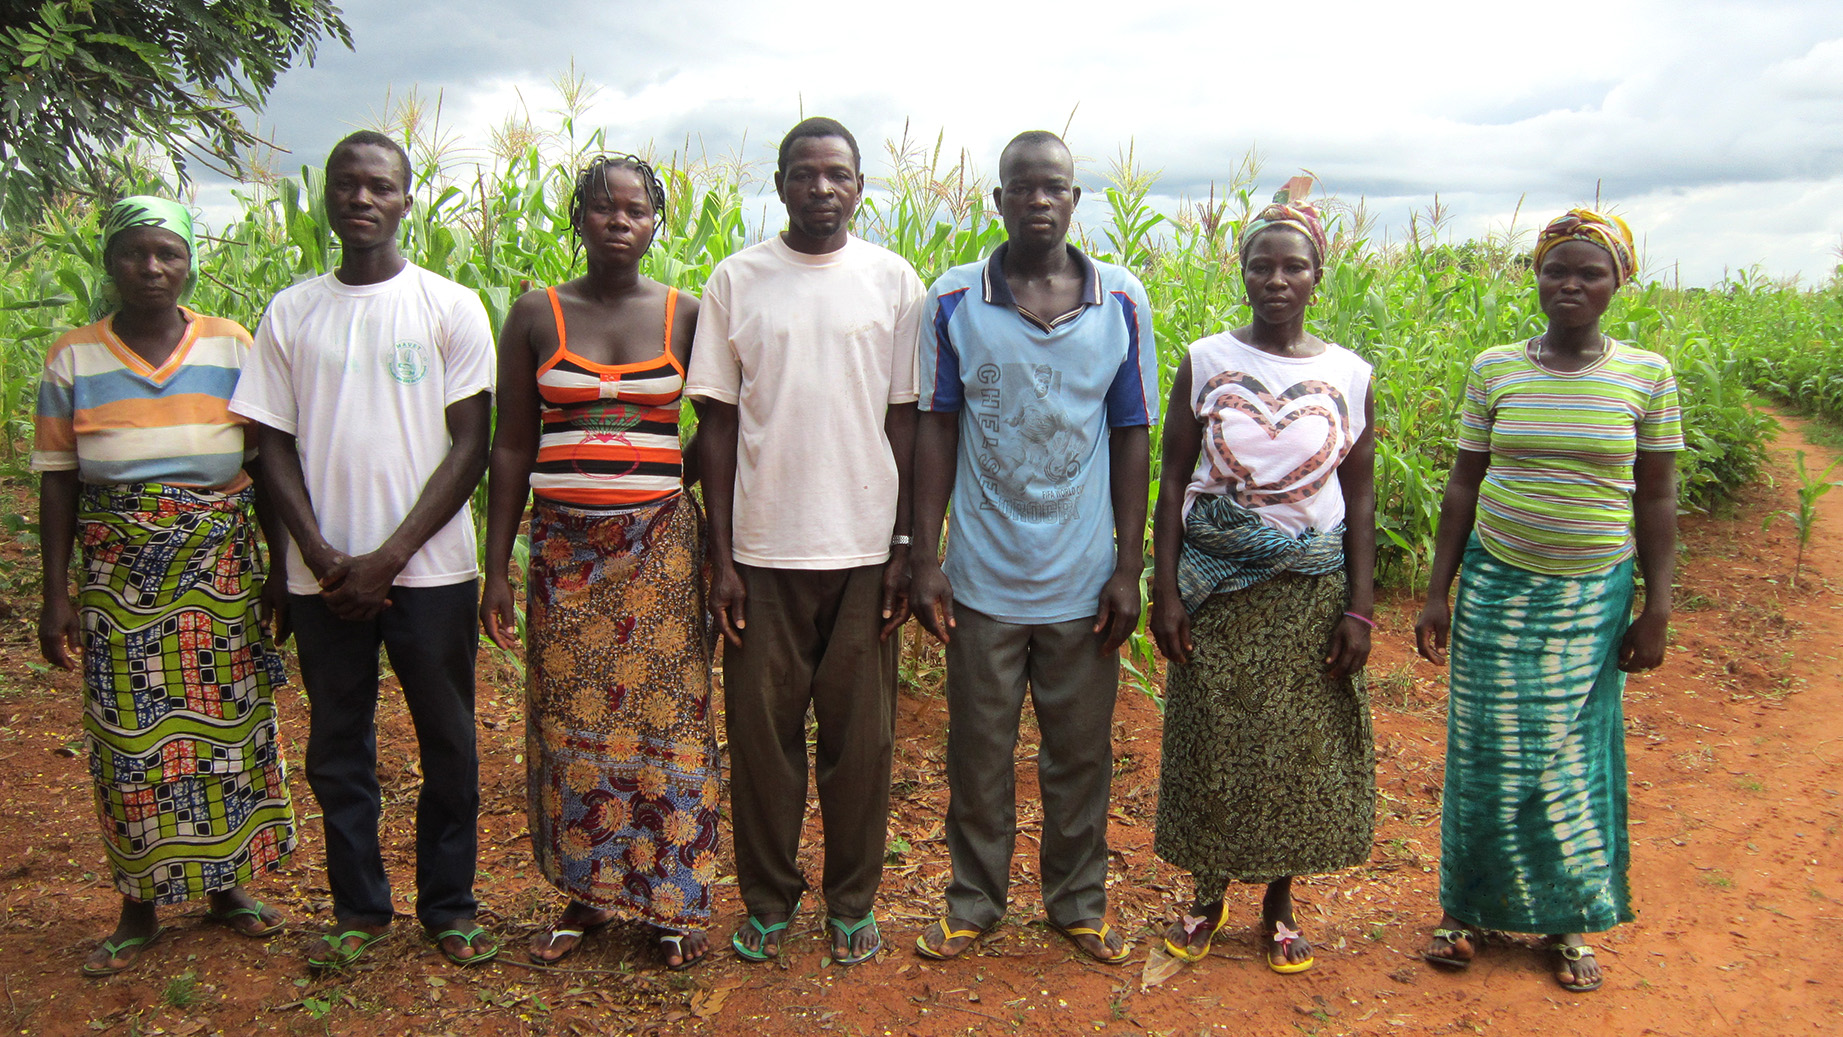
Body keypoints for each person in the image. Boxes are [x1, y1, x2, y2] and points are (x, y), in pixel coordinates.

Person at [230, 131, 497, 970]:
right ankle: (358, 908)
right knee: (338, 747)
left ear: (407, 201)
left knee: (447, 742)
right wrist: (314, 552)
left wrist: (388, 557)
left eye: (379, 186)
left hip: (432, 573)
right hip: (323, 576)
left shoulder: (449, 306)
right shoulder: (291, 311)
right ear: (328, 198)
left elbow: (471, 445)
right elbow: (268, 443)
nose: (361, 199)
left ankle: (448, 906)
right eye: (346, 185)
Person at [1414, 209, 1678, 994]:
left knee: (1573, 756)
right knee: (1483, 752)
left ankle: (1568, 919)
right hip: (1498, 584)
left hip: (1592, 595)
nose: (1568, 284)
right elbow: (1463, 483)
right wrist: (1438, 590)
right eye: (1554, 269)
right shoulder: (1495, 367)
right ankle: (1463, 911)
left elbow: (1657, 499)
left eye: (1588, 272)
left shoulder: (1645, 374)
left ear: (1616, 283)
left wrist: (1656, 605)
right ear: (1533, 275)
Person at [909, 131, 1156, 965]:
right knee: (978, 753)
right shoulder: (952, 300)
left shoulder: (1120, 300)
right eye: (1022, 187)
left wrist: (1128, 566)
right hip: (981, 579)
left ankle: (1076, 903)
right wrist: (924, 557)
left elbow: (1131, 433)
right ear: (999, 200)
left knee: (1079, 756)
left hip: (1083, 582)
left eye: (1054, 187)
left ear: (1075, 200)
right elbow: (936, 427)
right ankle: (972, 902)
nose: (1039, 200)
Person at [35, 196, 298, 978]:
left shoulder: (232, 345)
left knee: (227, 732)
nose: (151, 268)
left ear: (188, 261)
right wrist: (59, 592)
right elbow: (57, 482)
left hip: (217, 571)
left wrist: (280, 567)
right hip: (121, 578)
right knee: (130, 742)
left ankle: (226, 889)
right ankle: (139, 903)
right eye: (133, 253)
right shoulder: (73, 358)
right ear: (109, 261)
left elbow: (265, 465)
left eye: (167, 254)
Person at [687, 116, 922, 966]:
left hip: (863, 552)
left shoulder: (894, 282)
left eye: (838, 174)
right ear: (779, 182)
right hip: (761, 551)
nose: (821, 187)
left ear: (859, 186)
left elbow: (907, 420)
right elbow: (713, 422)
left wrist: (904, 545)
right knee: (762, 737)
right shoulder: (737, 279)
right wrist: (719, 553)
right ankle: (768, 897)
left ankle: (852, 900)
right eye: (804, 172)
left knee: (861, 742)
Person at [479, 155, 719, 971]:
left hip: (659, 552)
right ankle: (585, 895)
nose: (620, 221)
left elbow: (715, 431)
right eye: (602, 208)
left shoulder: (685, 315)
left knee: (667, 721)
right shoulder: (533, 316)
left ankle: (669, 899)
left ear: (657, 223)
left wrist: (658, 482)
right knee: (571, 721)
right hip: (562, 552)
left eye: (636, 210)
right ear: (576, 217)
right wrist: (496, 568)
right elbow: (510, 445)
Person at [1147, 193, 1377, 975]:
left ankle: (1278, 901)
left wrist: (1360, 607)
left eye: (1293, 265)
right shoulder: (1206, 360)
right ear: (1240, 270)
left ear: (1318, 274)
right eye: (1261, 263)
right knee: (1213, 740)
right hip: (1218, 587)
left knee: (1294, 749)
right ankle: (1206, 895)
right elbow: (1174, 476)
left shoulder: (1348, 373)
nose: (1276, 278)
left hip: (1308, 589)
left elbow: (1361, 497)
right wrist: (1165, 590)